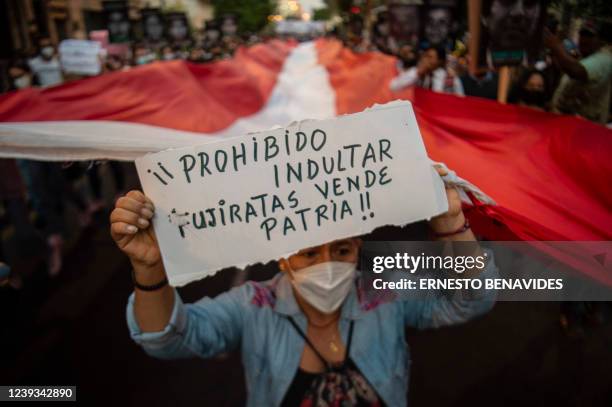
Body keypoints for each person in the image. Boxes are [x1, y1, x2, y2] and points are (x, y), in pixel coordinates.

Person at [111, 167, 496, 406]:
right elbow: (168, 339)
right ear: (283, 258)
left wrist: (451, 224)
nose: (327, 265)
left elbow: (471, 300)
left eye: (341, 250)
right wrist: (150, 269)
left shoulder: (386, 295)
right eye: (309, 254)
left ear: (358, 249)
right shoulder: (252, 306)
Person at [545, 21, 612, 124]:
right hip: (567, 126)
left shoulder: (605, 59)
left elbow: (575, 71)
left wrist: (555, 46)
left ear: (601, 41)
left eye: (590, 36)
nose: (584, 40)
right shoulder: (584, 59)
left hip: (584, 131)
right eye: (582, 34)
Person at [390, 46, 464, 95]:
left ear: (440, 61)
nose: (426, 60)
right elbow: (394, 86)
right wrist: (418, 72)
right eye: (425, 56)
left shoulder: (451, 78)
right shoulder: (417, 73)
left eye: (430, 57)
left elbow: (460, 100)